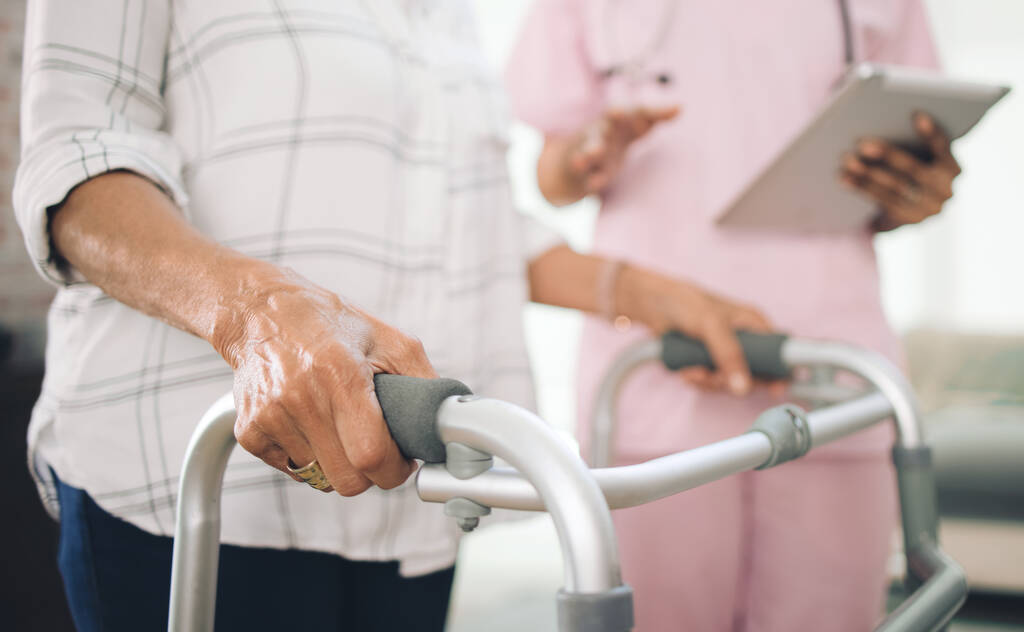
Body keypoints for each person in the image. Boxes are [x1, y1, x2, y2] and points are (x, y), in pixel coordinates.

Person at [12, 2, 771, 630]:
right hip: (192, 484)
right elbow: (79, 166)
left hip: (409, 488)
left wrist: (658, 297)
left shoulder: (447, 16)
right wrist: (258, 314)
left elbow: (473, 217)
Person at [505, 1, 960, 630]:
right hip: (652, 368)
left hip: (831, 364)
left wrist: (914, 192)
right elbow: (552, 175)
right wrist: (587, 152)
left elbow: (915, 137)